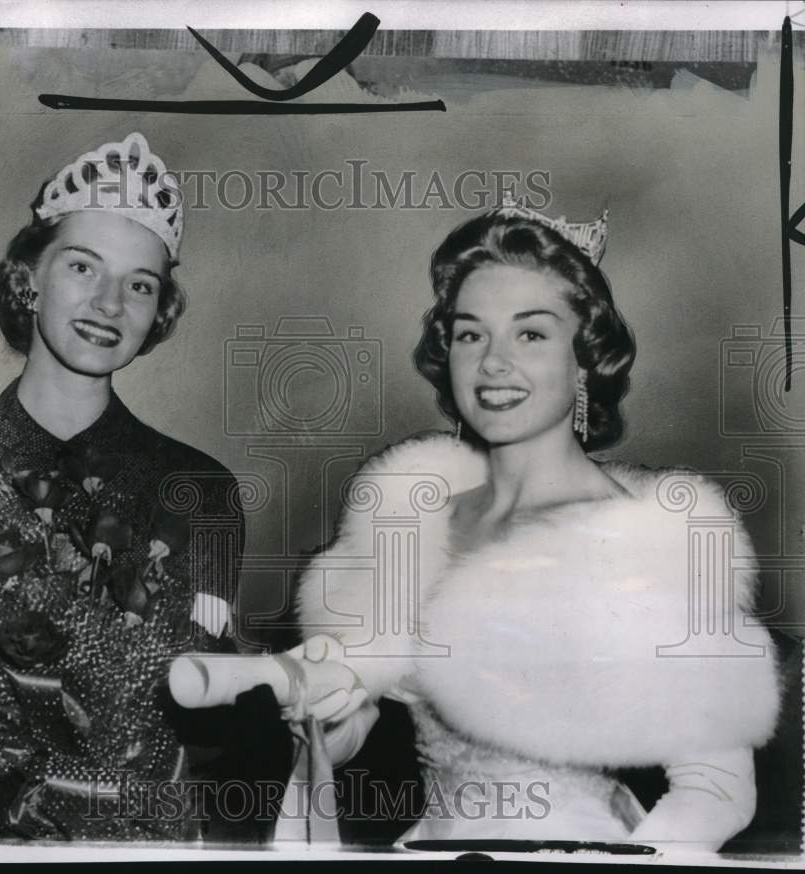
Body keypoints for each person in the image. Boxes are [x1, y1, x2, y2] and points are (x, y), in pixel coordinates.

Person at [170, 200, 783, 852]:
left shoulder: (652, 541)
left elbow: (716, 788)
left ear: (584, 360)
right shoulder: (413, 526)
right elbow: (358, 711)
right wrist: (323, 721)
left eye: (530, 334)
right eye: (470, 334)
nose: (493, 362)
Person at [0, 131, 260, 841]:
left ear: (160, 313)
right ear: (28, 279)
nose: (109, 302)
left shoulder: (201, 494)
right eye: (83, 266)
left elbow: (186, 717)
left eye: (140, 284)